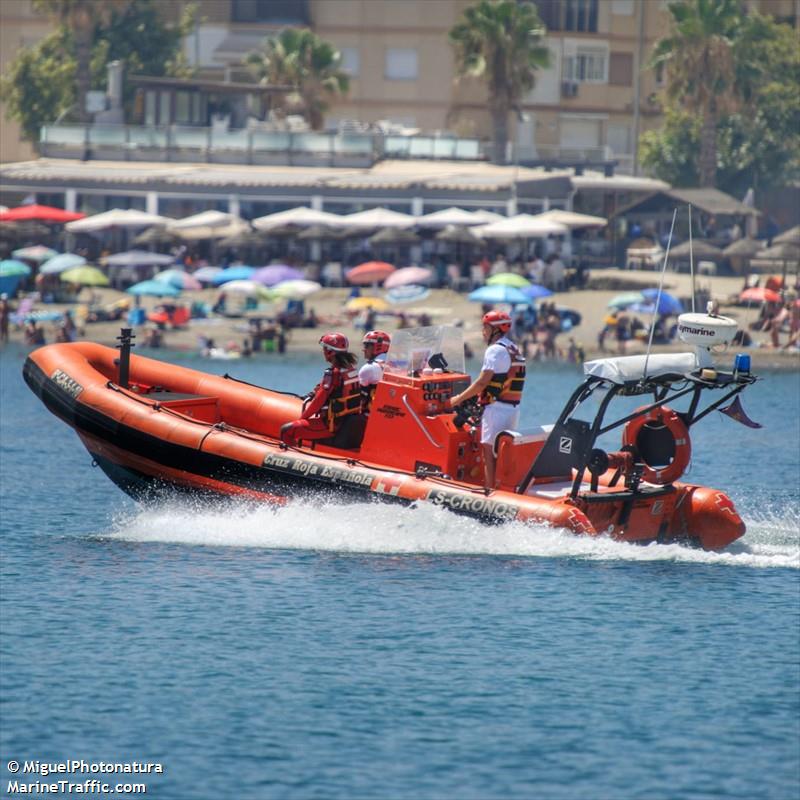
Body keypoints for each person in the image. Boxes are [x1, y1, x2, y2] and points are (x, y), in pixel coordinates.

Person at [446, 310, 526, 492]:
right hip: (513, 408)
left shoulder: (495, 350)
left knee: (488, 452)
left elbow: (482, 382)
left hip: (496, 409)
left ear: (495, 330)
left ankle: (489, 492)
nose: (483, 332)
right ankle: (503, 490)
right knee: (502, 452)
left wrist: (457, 399)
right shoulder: (513, 348)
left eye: (485, 328)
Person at [280, 333, 362, 447]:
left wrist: (302, 418)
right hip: (346, 421)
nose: (323, 352)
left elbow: (318, 401)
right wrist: (312, 393)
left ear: (330, 351)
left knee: (287, 430)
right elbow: (324, 388)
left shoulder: (333, 373)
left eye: (324, 348)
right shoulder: (351, 370)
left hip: (331, 425)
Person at [359, 329, 391, 415]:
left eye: (366, 346)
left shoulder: (369, 368)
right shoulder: (397, 365)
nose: (363, 349)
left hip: (370, 417)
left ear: (377, 347)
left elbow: (360, 399)